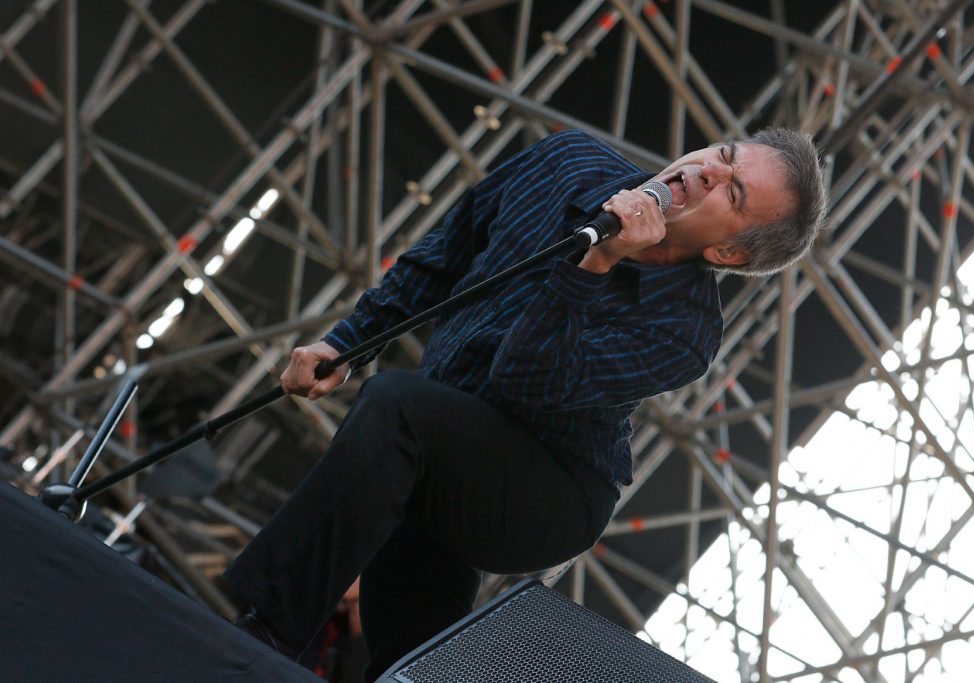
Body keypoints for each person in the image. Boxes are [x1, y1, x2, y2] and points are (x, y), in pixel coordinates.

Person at [225, 128, 827, 680]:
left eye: (733, 193)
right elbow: (446, 253)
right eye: (724, 155)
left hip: (548, 490)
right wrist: (348, 343)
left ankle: (259, 637)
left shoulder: (685, 333)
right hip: (449, 429)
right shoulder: (568, 161)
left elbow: (524, 380)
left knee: (397, 408)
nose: (709, 172)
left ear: (727, 253)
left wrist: (597, 262)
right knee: (412, 604)